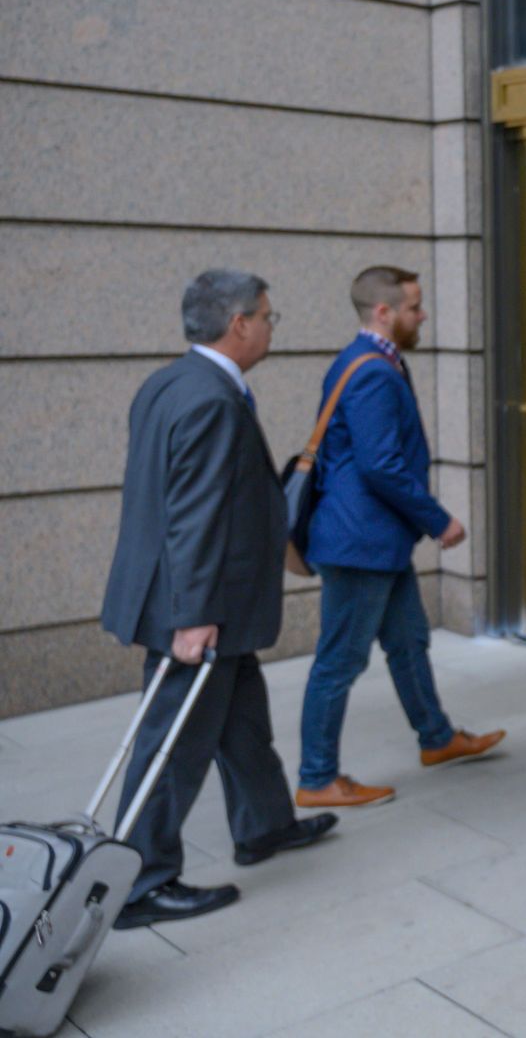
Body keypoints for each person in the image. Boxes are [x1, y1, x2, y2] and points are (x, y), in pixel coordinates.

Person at [100, 270, 338, 928]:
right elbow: (195, 516)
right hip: (200, 607)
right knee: (174, 744)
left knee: (242, 724)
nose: (269, 326)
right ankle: (141, 882)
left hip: (206, 600)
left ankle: (264, 826)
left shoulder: (172, 382)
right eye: (267, 316)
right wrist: (194, 617)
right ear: (239, 324)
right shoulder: (210, 399)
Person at [294, 266, 503, 808]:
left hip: (376, 542)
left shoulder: (372, 362)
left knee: (408, 642)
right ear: (383, 313)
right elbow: (381, 465)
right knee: (340, 661)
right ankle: (317, 778)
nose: (423, 314)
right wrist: (439, 520)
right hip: (361, 544)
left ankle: (437, 739)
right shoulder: (371, 372)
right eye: (414, 306)